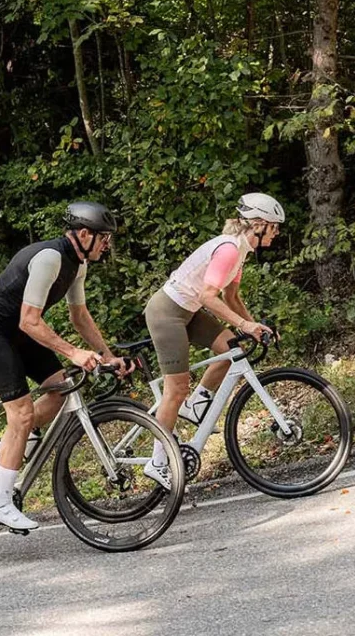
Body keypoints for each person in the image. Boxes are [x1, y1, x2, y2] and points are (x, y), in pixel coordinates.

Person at [0, 201, 132, 531]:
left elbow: (80, 317)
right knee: (22, 413)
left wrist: (108, 355)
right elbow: (30, 321)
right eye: (104, 238)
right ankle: (0, 502)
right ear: (84, 234)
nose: (107, 244)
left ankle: (9, 444)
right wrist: (73, 352)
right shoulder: (50, 258)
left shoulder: (78, 264)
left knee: (60, 390)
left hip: (19, 330)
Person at [141, 193, 284, 490]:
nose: (277, 232)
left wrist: (254, 326)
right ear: (258, 224)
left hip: (188, 311)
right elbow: (208, 296)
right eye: (274, 226)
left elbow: (231, 297)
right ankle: (157, 462)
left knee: (233, 350)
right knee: (176, 387)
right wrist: (244, 323)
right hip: (167, 312)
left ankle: (196, 405)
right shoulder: (229, 249)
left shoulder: (240, 250)